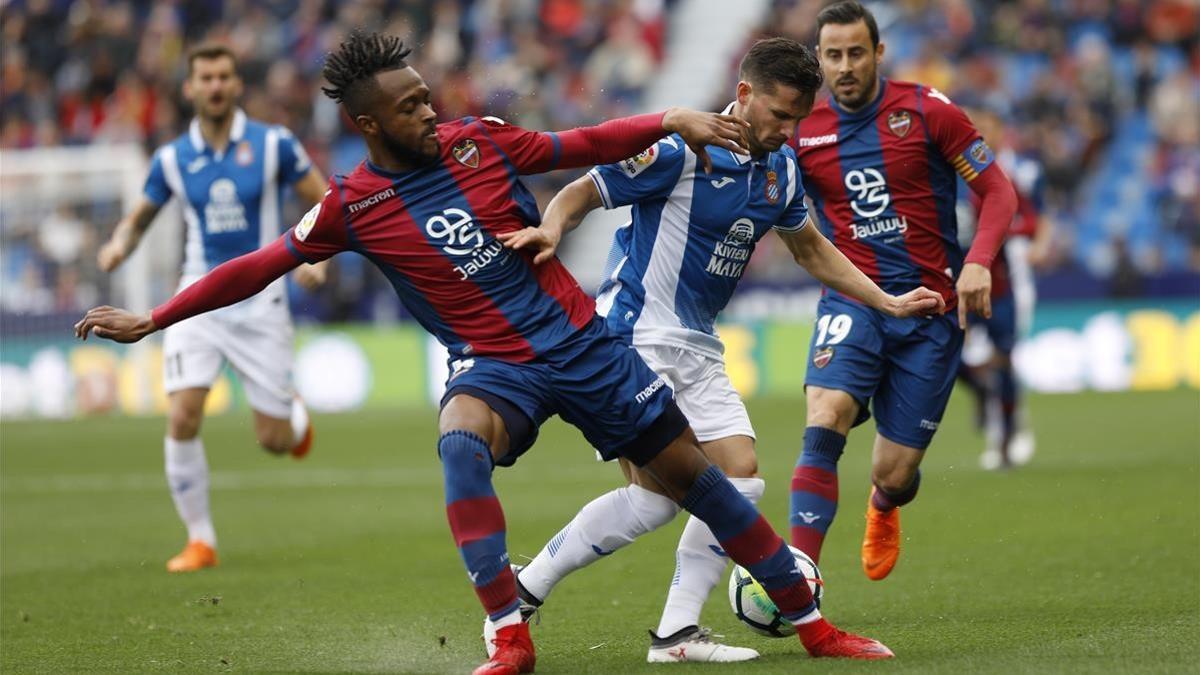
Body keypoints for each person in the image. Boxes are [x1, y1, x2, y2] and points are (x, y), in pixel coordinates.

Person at [76, 31, 895, 675]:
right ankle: (510, 633)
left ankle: (816, 628)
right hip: (492, 362)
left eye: (429, 99)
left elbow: (582, 143)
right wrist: (156, 317)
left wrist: (669, 119)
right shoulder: (352, 206)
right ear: (369, 124)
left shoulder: (480, 141)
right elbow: (259, 265)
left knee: (703, 484)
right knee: (460, 444)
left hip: (582, 341)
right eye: (411, 108)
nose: (431, 114)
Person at [489, 38, 943, 664]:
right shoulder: (679, 150)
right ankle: (662, 630)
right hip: (635, 338)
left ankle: (571, 600)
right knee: (675, 492)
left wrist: (886, 301)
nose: (787, 131)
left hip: (698, 346)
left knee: (731, 482)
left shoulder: (779, 171)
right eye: (780, 115)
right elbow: (586, 189)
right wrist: (552, 227)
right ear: (745, 94)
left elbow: (811, 249)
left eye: (797, 120)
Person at [785, 1, 1017, 579]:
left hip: (931, 312)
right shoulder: (804, 131)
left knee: (893, 472)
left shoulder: (926, 110)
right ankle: (798, 582)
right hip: (854, 299)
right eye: (833, 55)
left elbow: (998, 192)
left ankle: (884, 504)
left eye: (856, 53)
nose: (845, 66)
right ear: (819, 59)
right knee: (827, 410)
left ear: (878, 53)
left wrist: (979, 262)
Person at [95, 44, 329, 573]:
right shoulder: (172, 158)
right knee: (182, 414)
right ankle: (200, 540)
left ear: (236, 84)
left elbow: (324, 204)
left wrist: (319, 261)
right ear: (190, 88)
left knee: (273, 440)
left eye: (225, 76)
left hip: (260, 300)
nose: (217, 85)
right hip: (197, 300)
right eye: (206, 78)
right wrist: (117, 246)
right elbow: (139, 218)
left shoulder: (274, 145)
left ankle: (293, 419)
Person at [957, 106, 1053, 470]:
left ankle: (1008, 435)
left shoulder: (1008, 177)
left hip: (1000, 283)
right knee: (949, 358)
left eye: (987, 127)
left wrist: (1036, 243)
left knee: (1005, 359)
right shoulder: (947, 175)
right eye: (974, 128)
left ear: (1000, 131)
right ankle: (982, 392)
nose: (980, 135)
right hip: (954, 282)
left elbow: (1033, 218)